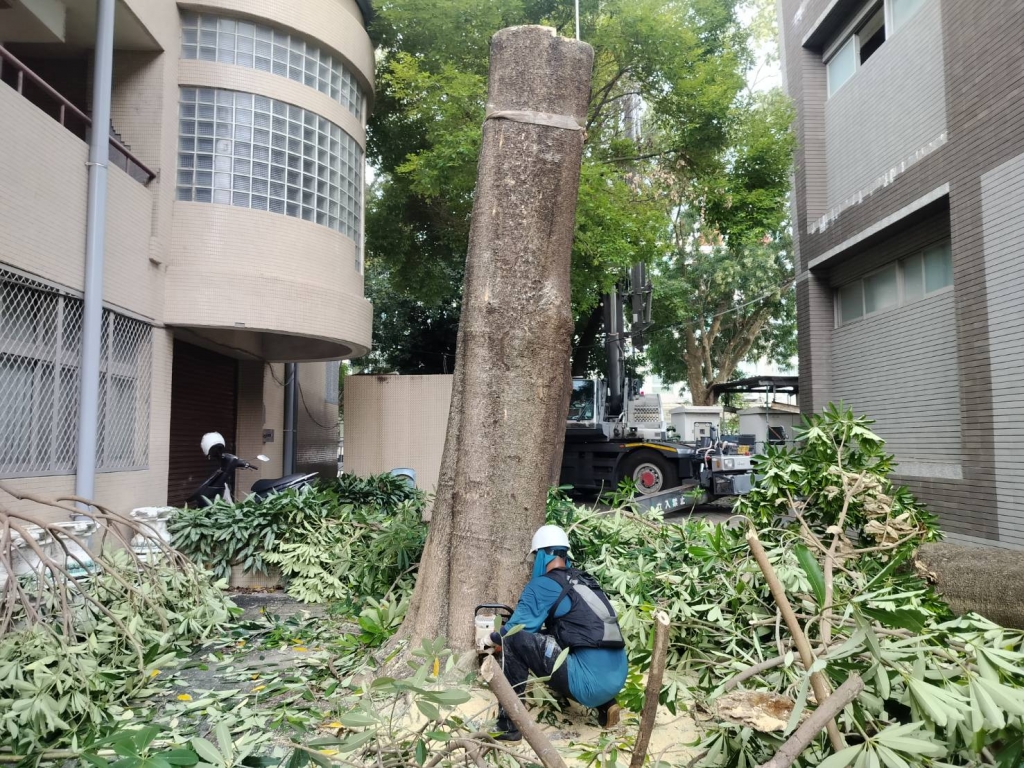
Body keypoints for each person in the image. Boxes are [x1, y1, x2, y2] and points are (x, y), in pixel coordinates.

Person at [486, 524, 628, 741]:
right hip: (617, 677)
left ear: (542, 556)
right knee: (565, 641)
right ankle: (607, 704)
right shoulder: (584, 580)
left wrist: (490, 639)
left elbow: (513, 631)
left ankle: (509, 727)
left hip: (588, 685)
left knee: (513, 639)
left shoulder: (542, 585)